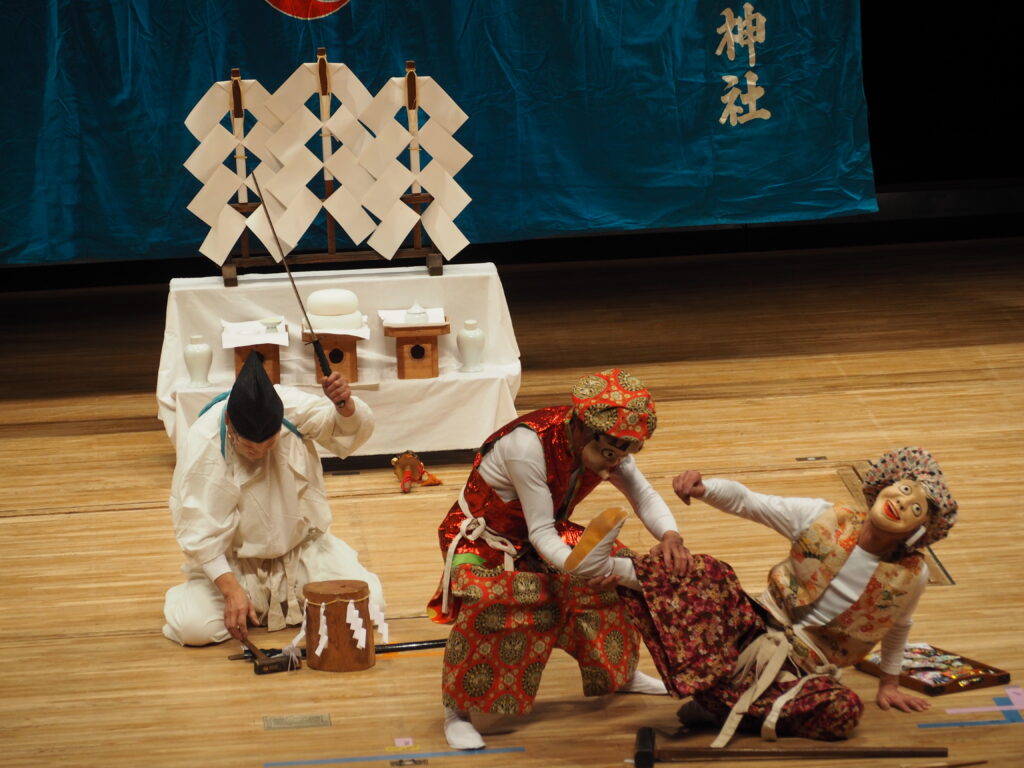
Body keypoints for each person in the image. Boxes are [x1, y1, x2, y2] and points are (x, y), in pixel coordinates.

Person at [572, 445, 958, 746]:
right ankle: (610, 568)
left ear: (920, 531)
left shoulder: (913, 574)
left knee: (844, 711)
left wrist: (889, 684)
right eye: (903, 489)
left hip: (802, 668)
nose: (902, 501)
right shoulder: (824, 516)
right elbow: (753, 503)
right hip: (750, 629)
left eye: (915, 507)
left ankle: (724, 705)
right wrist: (705, 489)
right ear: (884, 484)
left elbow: (898, 626)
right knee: (710, 573)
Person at [428, 368, 692, 750]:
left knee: (623, 566)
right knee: (491, 602)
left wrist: (671, 536)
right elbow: (539, 533)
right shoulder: (527, 447)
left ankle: (622, 674)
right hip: (486, 540)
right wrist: (583, 568)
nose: (613, 465)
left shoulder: (609, 442)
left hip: (544, 531)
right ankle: (458, 711)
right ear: (583, 429)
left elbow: (644, 495)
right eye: (609, 454)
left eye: (624, 455)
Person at [162, 350, 383, 647]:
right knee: (194, 627)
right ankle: (199, 593)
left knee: (370, 604)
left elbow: (341, 427)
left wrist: (344, 407)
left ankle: (284, 598)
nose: (260, 454)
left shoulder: (290, 406)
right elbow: (199, 529)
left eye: (269, 445)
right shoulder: (204, 440)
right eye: (250, 448)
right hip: (237, 564)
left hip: (302, 552)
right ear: (230, 422)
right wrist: (230, 590)